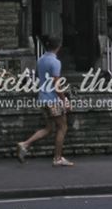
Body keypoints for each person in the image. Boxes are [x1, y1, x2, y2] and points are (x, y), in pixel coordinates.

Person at [16, 35, 74, 167]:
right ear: (58, 46)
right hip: (52, 100)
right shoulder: (55, 62)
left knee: (49, 128)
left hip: (42, 98)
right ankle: (57, 158)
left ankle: (25, 144)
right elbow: (57, 86)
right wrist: (65, 101)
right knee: (62, 127)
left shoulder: (41, 59)